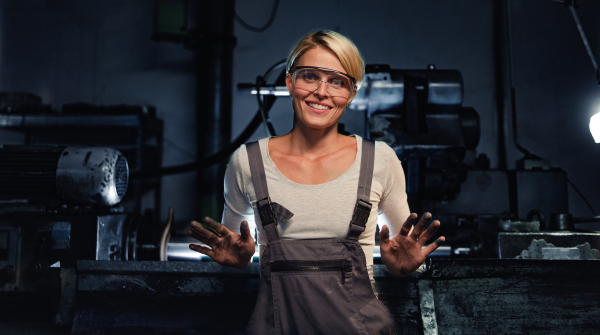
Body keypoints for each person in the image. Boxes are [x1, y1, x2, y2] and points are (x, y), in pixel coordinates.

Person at [188, 30, 445, 334]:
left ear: (351, 93)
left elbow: (404, 248)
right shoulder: (247, 163)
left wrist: (404, 266)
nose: (321, 92)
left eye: (337, 81)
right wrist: (239, 257)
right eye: (309, 76)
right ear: (290, 81)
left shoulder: (379, 161)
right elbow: (234, 243)